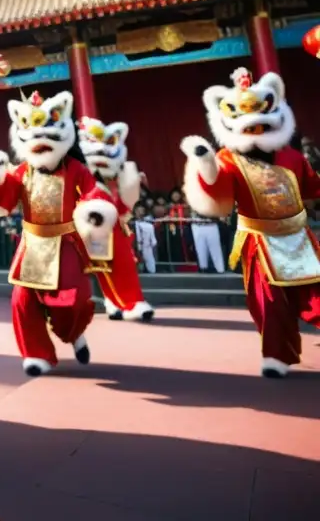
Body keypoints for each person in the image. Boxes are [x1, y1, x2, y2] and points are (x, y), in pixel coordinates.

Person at [181, 67, 320, 378]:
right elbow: (217, 193)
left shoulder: (292, 158)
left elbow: (312, 186)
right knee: (268, 304)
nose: (255, 132)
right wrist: (205, 165)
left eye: (260, 127)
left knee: (316, 294)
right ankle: (276, 356)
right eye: (249, 128)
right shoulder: (229, 161)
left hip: (299, 237)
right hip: (258, 242)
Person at [0, 91, 117, 377]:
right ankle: (36, 354)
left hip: (65, 243)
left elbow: (91, 193)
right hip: (32, 246)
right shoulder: (22, 171)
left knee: (71, 301)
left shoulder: (75, 168)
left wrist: (93, 211)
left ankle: (74, 334)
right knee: (22, 302)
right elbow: (3, 201)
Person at [77, 117, 155, 321]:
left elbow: (124, 205)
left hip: (116, 230)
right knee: (103, 270)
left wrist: (133, 184)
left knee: (125, 265)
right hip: (94, 230)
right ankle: (113, 302)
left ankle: (133, 302)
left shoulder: (116, 177)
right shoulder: (82, 175)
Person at [190, 205, 225, 274]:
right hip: (197, 224)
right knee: (200, 248)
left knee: (215, 247)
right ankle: (203, 267)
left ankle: (219, 268)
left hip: (211, 224)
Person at [132, 206, 158, 274]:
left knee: (151, 268)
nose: (140, 212)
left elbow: (153, 240)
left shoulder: (149, 225)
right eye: (138, 211)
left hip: (146, 246)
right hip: (133, 246)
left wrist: (151, 245)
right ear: (135, 212)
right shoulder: (131, 223)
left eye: (142, 210)